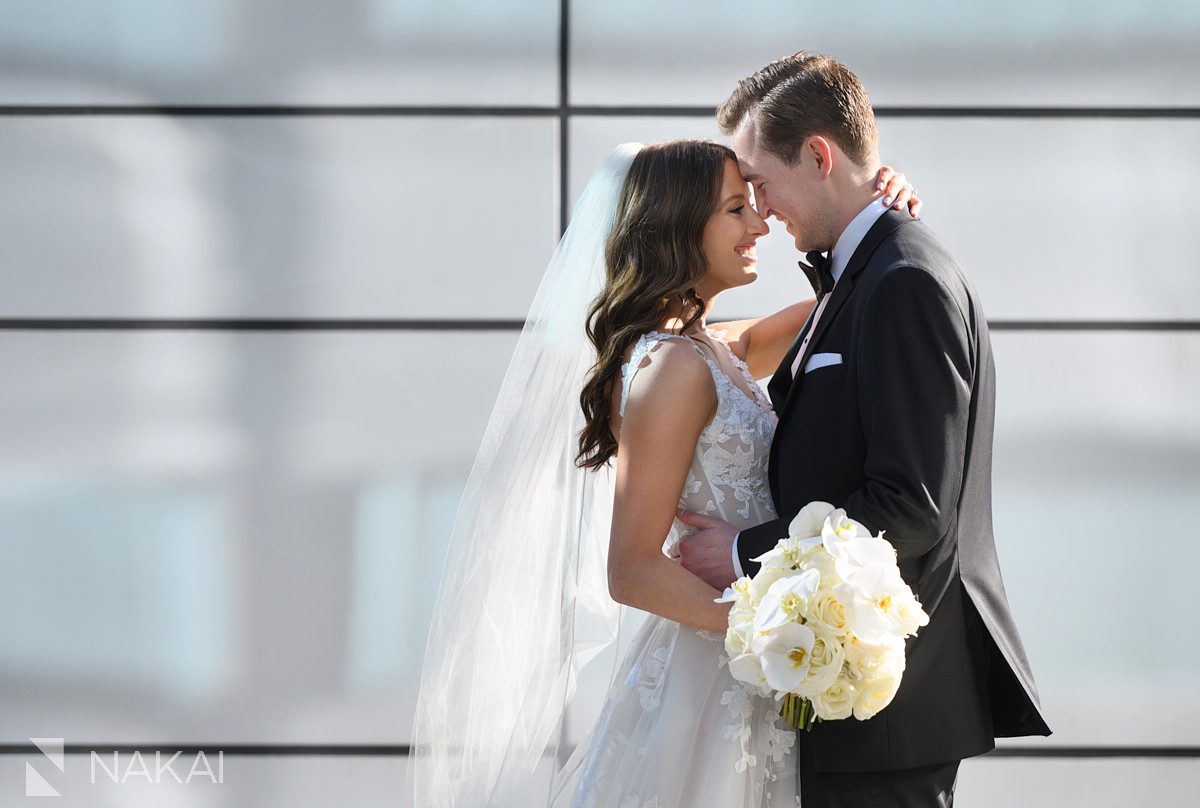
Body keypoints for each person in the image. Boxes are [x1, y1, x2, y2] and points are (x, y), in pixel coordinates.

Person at [410, 136, 920, 806]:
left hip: (751, 666)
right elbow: (631, 570)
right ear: (681, 228)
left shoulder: (711, 346)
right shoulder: (671, 369)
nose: (760, 224)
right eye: (736, 209)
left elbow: (839, 309)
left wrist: (886, 218)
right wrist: (782, 630)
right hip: (716, 671)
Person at [676, 52, 1052, 807]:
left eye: (760, 179)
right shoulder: (864, 272)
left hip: (887, 718)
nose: (759, 204)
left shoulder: (904, 279)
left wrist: (746, 552)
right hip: (846, 710)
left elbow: (912, 505)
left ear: (818, 154)